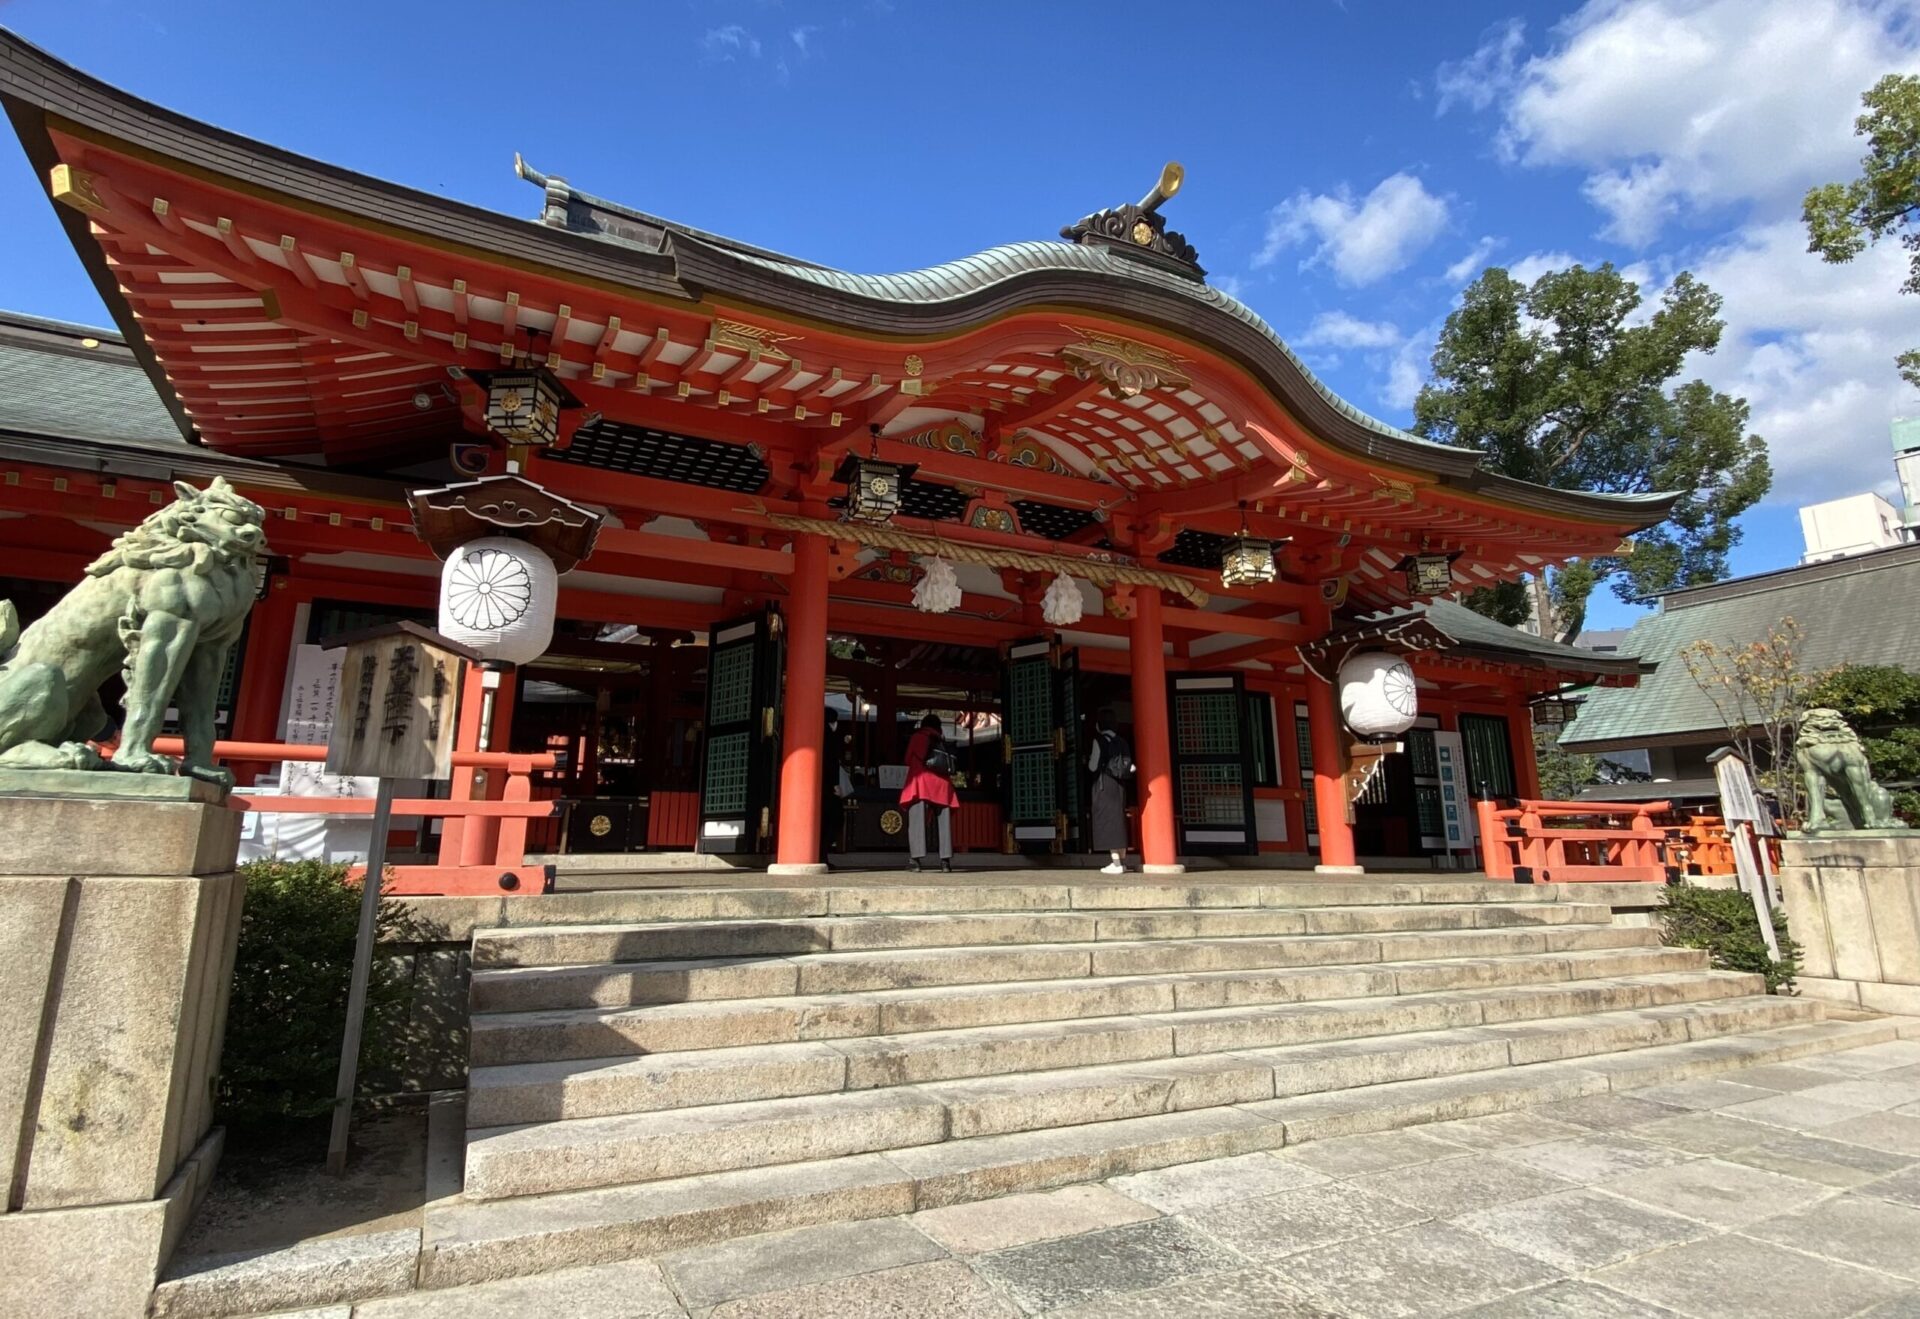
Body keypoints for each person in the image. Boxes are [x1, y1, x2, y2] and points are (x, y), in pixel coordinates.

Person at [899, 712, 958, 872]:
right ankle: (945, 861)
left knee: (917, 820)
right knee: (944, 823)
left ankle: (916, 860)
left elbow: (907, 759)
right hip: (942, 784)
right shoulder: (941, 739)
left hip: (922, 782)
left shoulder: (918, 737)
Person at [1089, 710, 1132, 874]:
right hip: (1119, 785)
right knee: (1118, 819)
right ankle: (1122, 861)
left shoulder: (1099, 741)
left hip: (1104, 785)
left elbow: (1093, 766)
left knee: (1108, 821)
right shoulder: (1122, 742)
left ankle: (1115, 863)